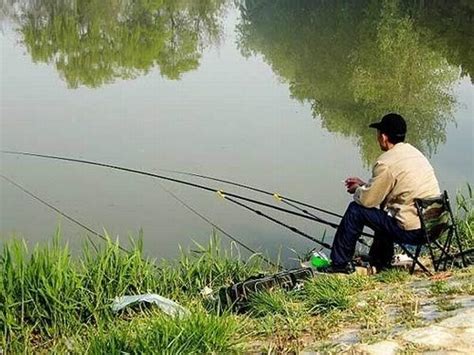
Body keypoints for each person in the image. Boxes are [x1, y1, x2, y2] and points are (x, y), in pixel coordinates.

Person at [326, 113, 440, 273]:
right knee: (384, 215)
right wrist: (364, 185)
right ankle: (380, 260)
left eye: (378, 134)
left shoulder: (386, 163)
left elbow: (367, 201)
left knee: (355, 210)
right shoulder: (414, 153)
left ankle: (339, 264)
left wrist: (357, 190)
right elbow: (395, 189)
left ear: (384, 137)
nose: (377, 137)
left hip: (414, 232)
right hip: (435, 226)